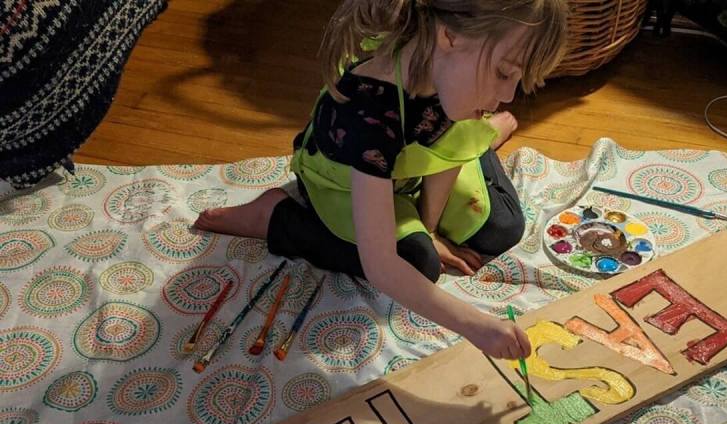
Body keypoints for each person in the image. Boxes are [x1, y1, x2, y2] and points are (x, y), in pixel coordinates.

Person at [195, 0, 568, 360]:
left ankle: (486, 136)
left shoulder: (453, 76)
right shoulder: (367, 114)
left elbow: (449, 151)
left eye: (516, 78)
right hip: (344, 181)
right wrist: (476, 325)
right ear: (450, 36)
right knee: (418, 264)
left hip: (412, 166)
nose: (507, 95)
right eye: (504, 72)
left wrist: (430, 226)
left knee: (502, 228)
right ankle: (276, 216)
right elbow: (381, 266)